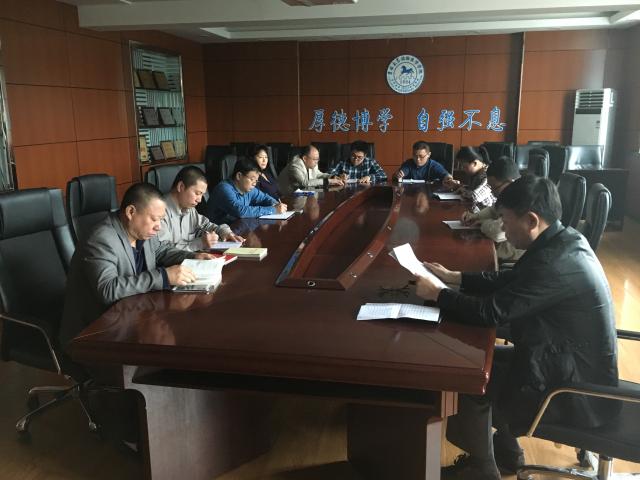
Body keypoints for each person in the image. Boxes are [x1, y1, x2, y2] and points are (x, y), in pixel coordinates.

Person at [414, 175, 619, 480]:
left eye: (506, 221)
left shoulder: (553, 264)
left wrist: (439, 294)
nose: (504, 229)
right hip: (567, 361)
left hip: (572, 391)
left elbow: (490, 312)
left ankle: (482, 469)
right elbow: (510, 279)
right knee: (484, 362)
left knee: (470, 375)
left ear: (531, 220)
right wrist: (456, 277)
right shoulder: (563, 240)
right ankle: (508, 454)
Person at [59, 183, 215, 347]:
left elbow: (161, 251)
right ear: (131, 212)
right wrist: (163, 277)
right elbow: (107, 289)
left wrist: (193, 256)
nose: (159, 226)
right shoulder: (101, 239)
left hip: (134, 317)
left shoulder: (141, 231)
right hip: (94, 335)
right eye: (154, 219)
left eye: (161, 219)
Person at [158, 166, 244, 251]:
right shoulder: (158, 213)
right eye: (197, 193)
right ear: (181, 187)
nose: (199, 200)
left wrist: (225, 232)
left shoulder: (189, 209)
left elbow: (206, 225)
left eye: (202, 195)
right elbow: (163, 251)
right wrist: (199, 243)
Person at [460, 156, 524, 263]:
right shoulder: (510, 192)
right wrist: (475, 216)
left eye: (494, 188)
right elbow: (494, 209)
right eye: (490, 188)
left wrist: (482, 223)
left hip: (514, 254)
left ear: (509, 182)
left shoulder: (523, 197)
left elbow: (497, 232)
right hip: (501, 245)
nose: (493, 193)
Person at [206, 157, 287, 225]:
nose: (254, 184)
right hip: (218, 233)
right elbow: (241, 211)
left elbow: (265, 198)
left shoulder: (248, 188)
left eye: (256, 180)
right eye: (252, 179)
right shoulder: (224, 189)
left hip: (238, 228)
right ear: (239, 176)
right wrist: (273, 209)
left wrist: (276, 204)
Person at [277, 144, 344, 196]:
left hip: (304, 193)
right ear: (305, 158)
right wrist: (329, 181)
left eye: (318, 159)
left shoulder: (311, 163)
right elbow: (304, 183)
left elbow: (318, 174)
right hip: (287, 197)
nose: (317, 162)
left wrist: (332, 177)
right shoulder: (295, 165)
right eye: (315, 159)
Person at [456, 146, 494, 211]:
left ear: (475, 163)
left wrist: (463, 191)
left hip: (490, 214)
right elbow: (472, 189)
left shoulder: (488, 175)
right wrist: (459, 186)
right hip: (477, 210)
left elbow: (474, 196)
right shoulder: (476, 174)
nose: (462, 169)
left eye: (464, 166)